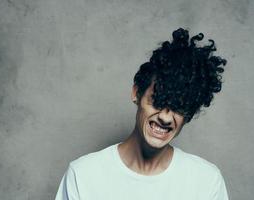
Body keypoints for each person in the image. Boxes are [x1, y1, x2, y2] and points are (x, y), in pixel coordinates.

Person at [55, 28, 229, 200]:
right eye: (158, 100)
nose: (166, 117)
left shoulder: (206, 181)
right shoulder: (82, 175)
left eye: (179, 107)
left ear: (188, 115)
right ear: (136, 93)